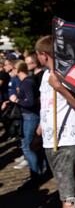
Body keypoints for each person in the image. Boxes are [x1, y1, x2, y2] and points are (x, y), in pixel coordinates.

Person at [35, 35, 75, 208]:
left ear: (43, 55)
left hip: (67, 141)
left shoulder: (69, 75)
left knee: (68, 196)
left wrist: (60, 88)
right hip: (51, 141)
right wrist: (39, 129)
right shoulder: (43, 76)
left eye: (38, 54)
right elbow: (46, 108)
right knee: (73, 189)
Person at [9, 60, 45, 189]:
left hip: (30, 117)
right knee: (32, 146)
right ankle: (39, 172)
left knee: (27, 147)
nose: (11, 71)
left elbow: (30, 102)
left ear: (18, 70)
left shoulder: (27, 83)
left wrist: (16, 99)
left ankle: (35, 177)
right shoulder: (26, 82)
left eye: (13, 68)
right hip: (29, 116)